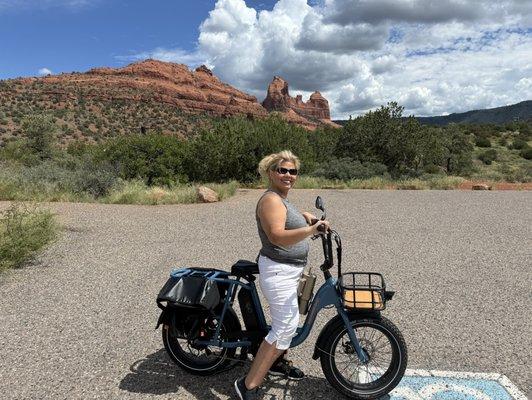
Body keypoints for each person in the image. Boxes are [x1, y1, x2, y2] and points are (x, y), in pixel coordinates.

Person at [234, 150, 330, 399]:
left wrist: (308, 219)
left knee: (288, 320)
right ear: (270, 173)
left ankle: (276, 363)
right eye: (282, 170)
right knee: (284, 327)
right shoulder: (270, 200)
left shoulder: (282, 198)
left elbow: (291, 220)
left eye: (292, 171)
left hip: (290, 270)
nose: (288, 175)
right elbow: (276, 235)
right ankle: (247, 386)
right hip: (278, 271)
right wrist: (310, 230)